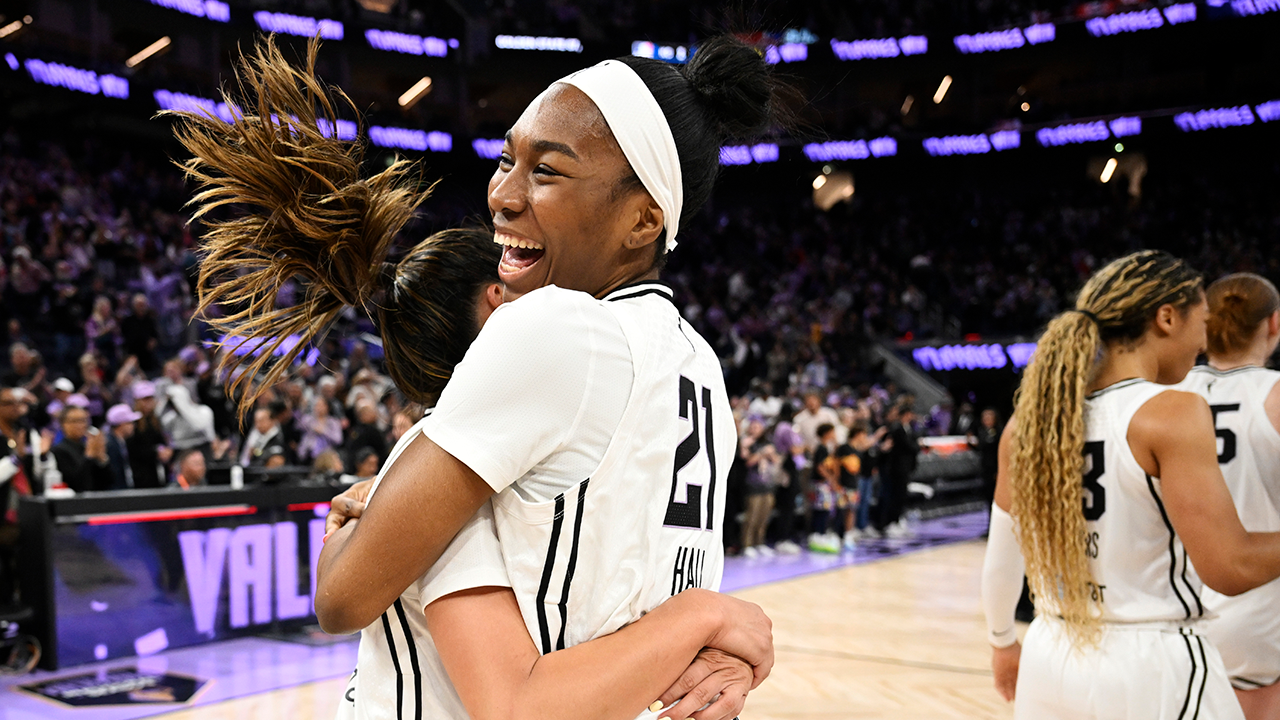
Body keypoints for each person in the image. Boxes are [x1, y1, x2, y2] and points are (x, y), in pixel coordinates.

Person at [169, 34, 782, 720]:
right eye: (505, 159)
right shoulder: (697, 360)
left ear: (644, 219)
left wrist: (351, 525)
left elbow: (342, 598)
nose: (502, 195)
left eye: (546, 171)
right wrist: (711, 631)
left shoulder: (558, 327)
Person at [981, 251, 1280, 718]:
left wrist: (1002, 642)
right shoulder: (1171, 410)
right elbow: (1229, 566)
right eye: (1201, 321)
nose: (1203, 344)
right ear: (1166, 318)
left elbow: (1002, 558)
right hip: (1150, 664)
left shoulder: (1029, 423)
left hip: (1051, 652)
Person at [1176, 273, 1280, 719]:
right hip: (1258, 604)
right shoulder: (1273, 395)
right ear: (1273, 324)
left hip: (1178, 603)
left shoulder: (1166, 394)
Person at [739, 417, 780, 558]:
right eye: (753, 427)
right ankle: (747, 544)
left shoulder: (767, 442)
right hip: (753, 484)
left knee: (764, 516)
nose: (755, 429)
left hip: (767, 484)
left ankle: (759, 542)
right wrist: (761, 453)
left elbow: (776, 461)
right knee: (752, 516)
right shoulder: (747, 443)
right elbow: (748, 462)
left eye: (758, 427)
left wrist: (771, 453)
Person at [50, 406, 110, 493]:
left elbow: (107, 482)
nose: (81, 425)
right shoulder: (59, 451)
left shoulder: (86, 447)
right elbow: (76, 483)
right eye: (75, 421)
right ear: (64, 424)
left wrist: (102, 459)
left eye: (83, 420)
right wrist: (88, 457)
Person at [103, 403, 142, 490]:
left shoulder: (120, 442)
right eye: (129, 423)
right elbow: (115, 474)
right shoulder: (111, 445)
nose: (133, 426)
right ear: (121, 425)